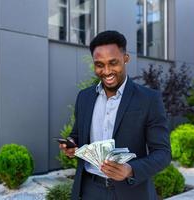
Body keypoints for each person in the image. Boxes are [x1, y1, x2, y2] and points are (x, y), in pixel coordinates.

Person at [59, 30, 171, 200]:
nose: (107, 71)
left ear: (126, 58)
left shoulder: (149, 99)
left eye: (113, 63)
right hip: (89, 190)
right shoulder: (84, 97)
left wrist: (130, 169)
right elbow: (77, 136)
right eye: (99, 64)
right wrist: (72, 145)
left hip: (132, 192)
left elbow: (163, 154)